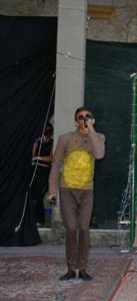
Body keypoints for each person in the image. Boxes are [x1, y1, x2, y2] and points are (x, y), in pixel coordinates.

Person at [47, 108, 105, 281]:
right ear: (76, 122)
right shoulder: (65, 139)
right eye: (81, 117)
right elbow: (56, 164)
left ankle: (83, 268)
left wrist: (91, 130)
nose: (84, 119)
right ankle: (71, 268)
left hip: (87, 190)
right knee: (71, 228)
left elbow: (99, 154)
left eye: (88, 117)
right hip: (67, 189)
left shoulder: (98, 137)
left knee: (84, 228)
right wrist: (52, 191)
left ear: (92, 120)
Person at [29, 123, 53, 226]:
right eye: (44, 132)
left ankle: (40, 220)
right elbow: (32, 156)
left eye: (48, 133)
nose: (45, 135)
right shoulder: (38, 142)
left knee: (39, 195)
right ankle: (34, 219)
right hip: (35, 170)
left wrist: (39, 158)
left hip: (45, 171)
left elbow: (51, 158)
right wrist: (36, 144)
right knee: (33, 195)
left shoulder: (52, 143)